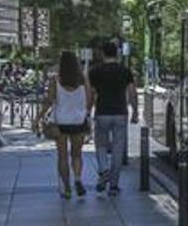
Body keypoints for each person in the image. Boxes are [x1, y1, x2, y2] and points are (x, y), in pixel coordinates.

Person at [36, 51, 91, 199]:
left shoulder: (56, 80)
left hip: (61, 122)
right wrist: (85, 112)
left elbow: (49, 101)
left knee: (62, 156)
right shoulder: (83, 79)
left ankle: (67, 188)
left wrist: (38, 118)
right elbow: (90, 99)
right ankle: (78, 179)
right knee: (77, 154)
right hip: (78, 121)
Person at [89, 41, 138, 196]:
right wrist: (135, 110)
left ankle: (103, 170)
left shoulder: (95, 72)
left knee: (101, 145)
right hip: (120, 113)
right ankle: (114, 186)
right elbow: (132, 92)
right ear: (116, 54)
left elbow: (91, 94)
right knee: (118, 149)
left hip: (102, 112)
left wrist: (87, 111)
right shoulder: (125, 71)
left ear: (103, 54)